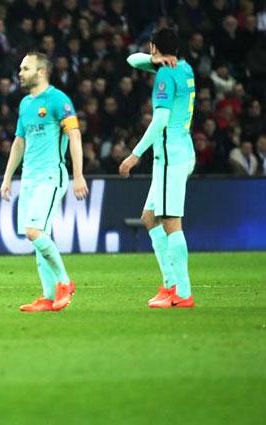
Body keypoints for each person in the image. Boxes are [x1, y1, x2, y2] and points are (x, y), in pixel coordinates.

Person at [0, 52, 89, 312]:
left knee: (33, 232)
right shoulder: (25, 104)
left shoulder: (59, 100)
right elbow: (19, 142)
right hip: (28, 177)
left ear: (41, 72)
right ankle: (49, 297)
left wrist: (78, 174)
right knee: (38, 237)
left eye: (25, 68)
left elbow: (74, 136)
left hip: (51, 176)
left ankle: (64, 282)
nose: (20, 73)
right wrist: (7, 177)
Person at [120, 27, 196, 308]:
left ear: (154, 47)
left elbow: (160, 120)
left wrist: (135, 154)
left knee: (170, 221)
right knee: (150, 217)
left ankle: (183, 292)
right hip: (182, 151)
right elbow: (132, 60)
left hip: (169, 156)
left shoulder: (165, 74)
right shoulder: (184, 69)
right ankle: (169, 284)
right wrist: (154, 60)